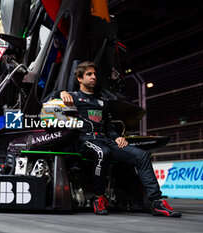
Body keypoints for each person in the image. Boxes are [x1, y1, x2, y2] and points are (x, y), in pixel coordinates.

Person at [43, 61, 181, 217]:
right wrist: (59, 93)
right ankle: (98, 197)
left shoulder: (103, 102)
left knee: (141, 155)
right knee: (104, 152)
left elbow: (109, 129)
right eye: (89, 74)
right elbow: (44, 102)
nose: (93, 77)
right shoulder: (72, 96)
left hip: (104, 140)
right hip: (85, 141)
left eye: (94, 74)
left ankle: (156, 202)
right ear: (79, 78)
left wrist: (117, 137)